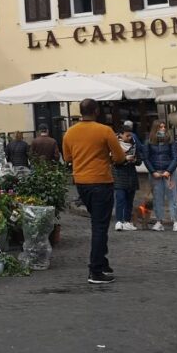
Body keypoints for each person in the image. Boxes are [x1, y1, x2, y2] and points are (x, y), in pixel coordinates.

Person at [62, 99, 126, 285]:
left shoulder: (70, 132)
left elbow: (67, 157)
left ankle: (102, 262)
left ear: (81, 112)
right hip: (101, 181)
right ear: (96, 111)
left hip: (81, 182)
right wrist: (106, 157)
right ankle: (95, 270)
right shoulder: (104, 131)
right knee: (99, 226)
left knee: (98, 223)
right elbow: (120, 157)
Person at [143, 119, 177, 232]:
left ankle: (176, 222)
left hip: (169, 173)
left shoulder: (171, 141)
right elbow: (146, 158)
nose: (163, 129)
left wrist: (169, 171)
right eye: (160, 127)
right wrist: (153, 171)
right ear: (155, 129)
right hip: (155, 173)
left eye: (164, 127)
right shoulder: (148, 142)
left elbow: (176, 157)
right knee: (157, 198)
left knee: (173, 197)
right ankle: (159, 221)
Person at [113, 130, 141, 232]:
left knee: (129, 200)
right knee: (120, 199)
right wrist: (125, 159)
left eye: (131, 135)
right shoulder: (115, 145)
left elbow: (139, 160)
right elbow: (113, 160)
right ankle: (119, 221)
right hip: (119, 176)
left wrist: (134, 160)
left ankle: (127, 221)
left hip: (131, 176)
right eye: (127, 135)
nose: (129, 137)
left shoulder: (134, 145)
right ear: (121, 135)